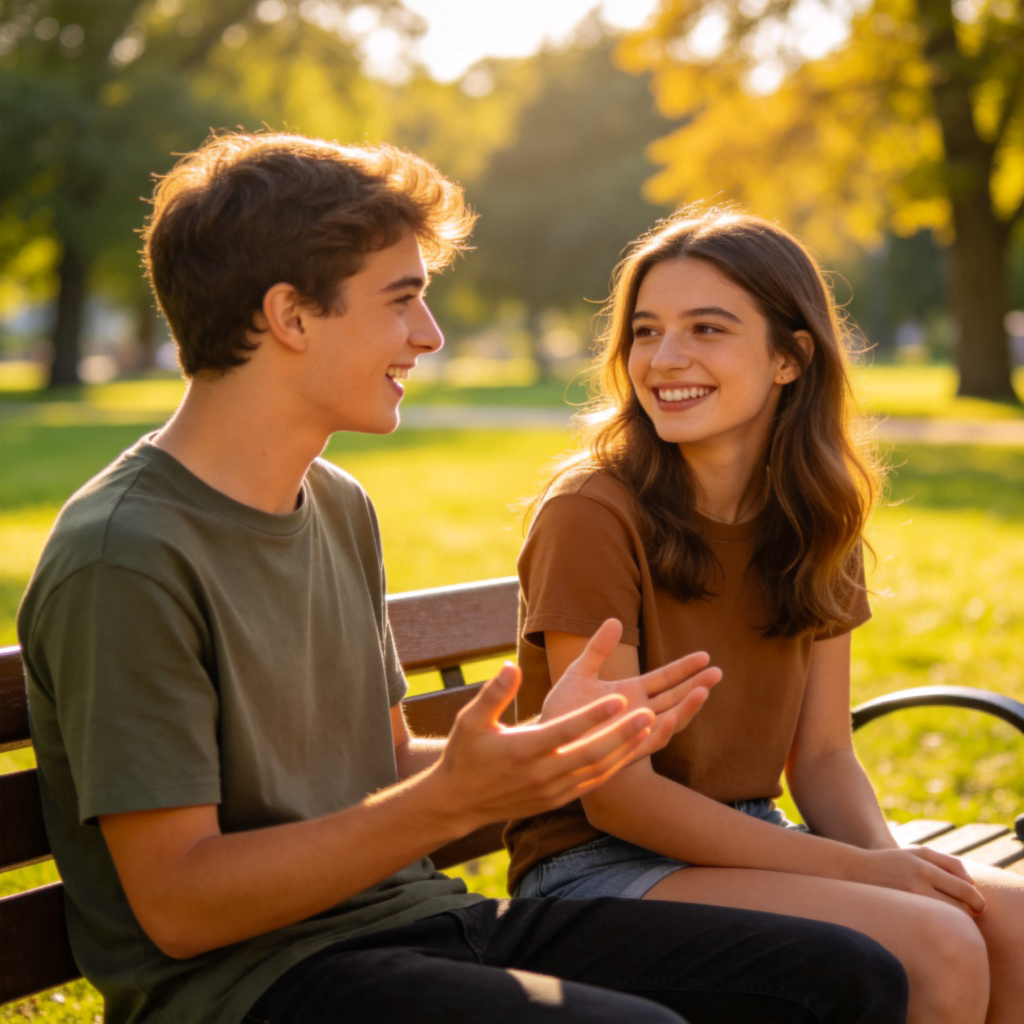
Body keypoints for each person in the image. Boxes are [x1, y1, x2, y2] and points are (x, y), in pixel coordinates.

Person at [17, 134, 910, 1024]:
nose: (429, 335)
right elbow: (180, 906)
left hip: (416, 921)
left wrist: (558, 750)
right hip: (251, 984)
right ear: (290, 316)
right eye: (403, 300)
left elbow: (378, 762)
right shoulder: (126, 555)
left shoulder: (333, 503)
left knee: (850, 974)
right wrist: (450, 800)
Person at [505, 205, 1024, 1024]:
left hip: (752, 835)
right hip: (597, 870)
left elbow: (820, 757)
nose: (665, 359)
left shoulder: (816, 517)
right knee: (939, 944)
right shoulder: (592, 512)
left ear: (790, 357)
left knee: (1013, 925)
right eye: (645, 331)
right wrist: (864, 877)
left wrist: (892, 864)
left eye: (707, 329)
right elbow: (617, 798)